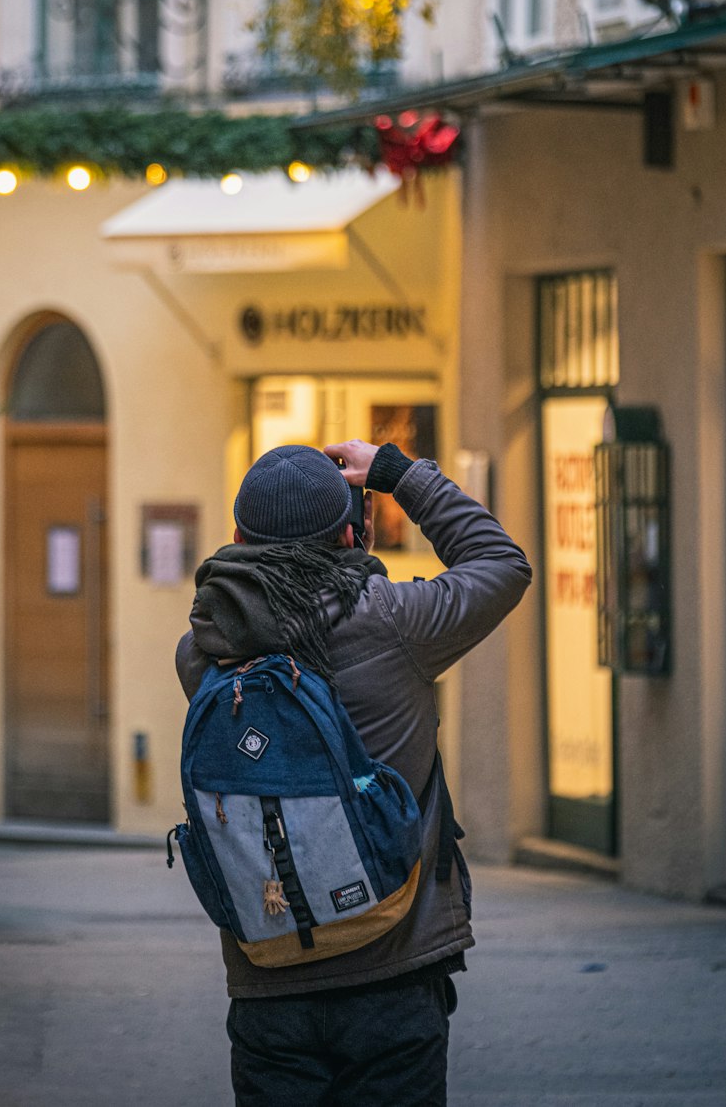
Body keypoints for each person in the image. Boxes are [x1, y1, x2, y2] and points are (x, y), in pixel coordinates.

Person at [175, 437, 532, 1107]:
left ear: (236, 538)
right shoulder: (398, 623)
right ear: (349, 533)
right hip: (392, 974)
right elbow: (501, 563)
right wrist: (397, 473)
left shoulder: (201, 654)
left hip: (267, 979)